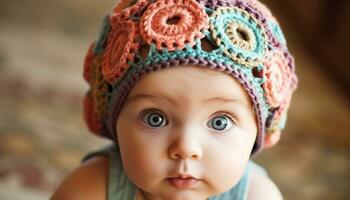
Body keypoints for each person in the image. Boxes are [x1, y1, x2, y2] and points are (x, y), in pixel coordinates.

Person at [51, 0, 298, 199]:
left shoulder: (258, 195)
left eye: (220, 122)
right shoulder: (88, 190)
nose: (186, 148)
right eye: (155, 118)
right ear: (113, 123)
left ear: (259, 131)